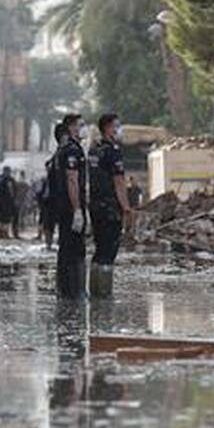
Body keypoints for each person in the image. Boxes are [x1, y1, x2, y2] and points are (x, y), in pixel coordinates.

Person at [87, 112, 131, 298]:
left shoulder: (94, 150)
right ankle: (104, 294)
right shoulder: (113, 150)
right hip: (110, 206)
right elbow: (119, 181)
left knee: (99, 249)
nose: (118, 129)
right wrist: (127, 207)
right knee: (109, 250)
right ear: (107, 128)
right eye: (116, 126)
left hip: (95, 205)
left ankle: (94, 291)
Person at [54, 113, 89, 299]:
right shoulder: (72, 150)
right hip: (71, 207)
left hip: (64, 206)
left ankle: (65, 290)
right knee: (74, 249)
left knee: (66, 248)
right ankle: (74, 291)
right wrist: (77, 210)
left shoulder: (64, 149)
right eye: (80, 125)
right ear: (71, 127)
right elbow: (72, 180)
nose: (83, 128)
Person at [40, 122, 67, 251]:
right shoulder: (62, 152)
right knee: (51, 222)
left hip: (53, 196)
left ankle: (50, 244)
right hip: (55, 195)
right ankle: (50, 244)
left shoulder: (60, 152)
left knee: (50, 222)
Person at [0, 166, 17, 240]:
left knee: (0, 217)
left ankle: (0, 233)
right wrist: (13, 199)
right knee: (6, 218)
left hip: (0, 201)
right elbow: (12, 191)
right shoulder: (9, 180)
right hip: (7, 201)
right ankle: (5, 233)